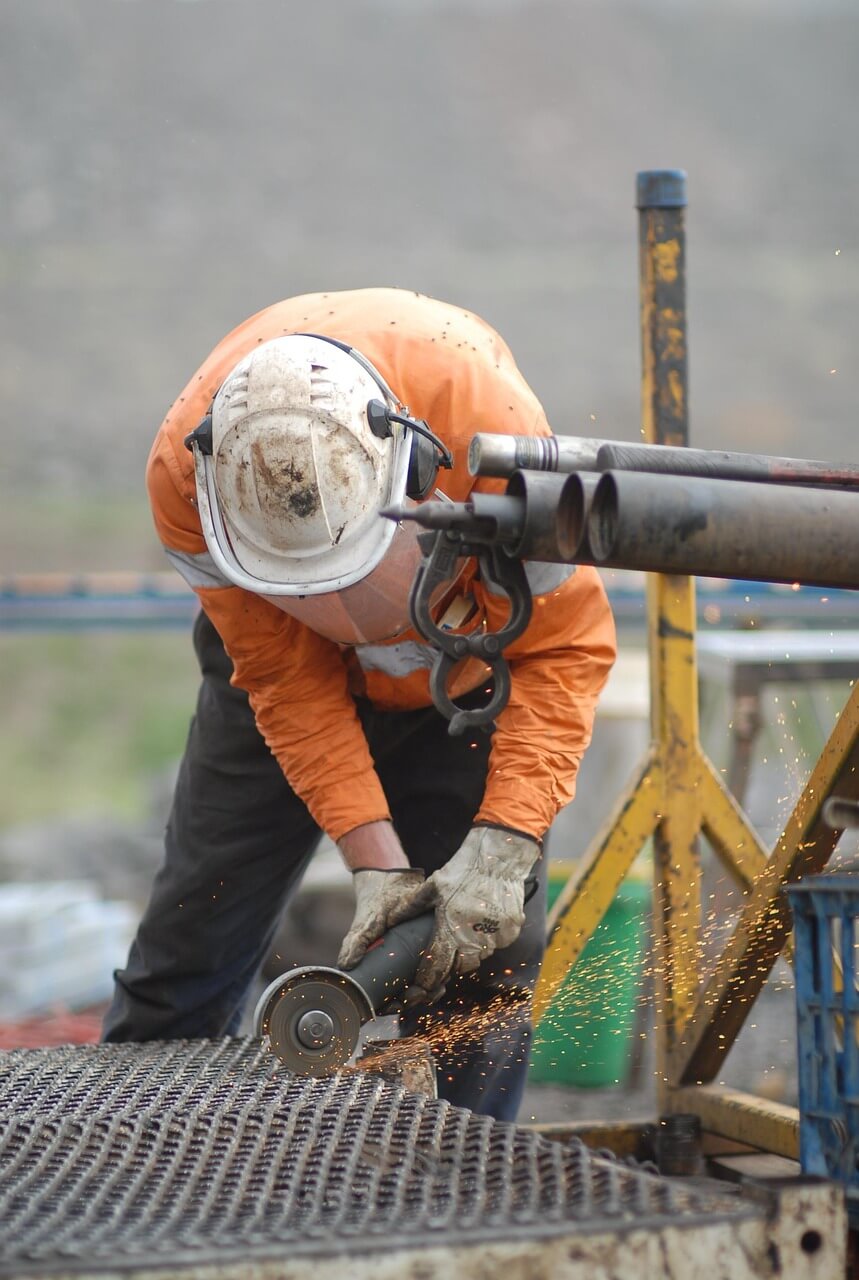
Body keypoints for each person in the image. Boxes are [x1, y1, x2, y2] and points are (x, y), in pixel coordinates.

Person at [102, 287, 616, 1121]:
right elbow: (284, 680)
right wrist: (375, 865)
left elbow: (560, 649)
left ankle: (462, 1172)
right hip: (281, 674)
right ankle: (135, 1152)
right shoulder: (185, 479)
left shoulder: (495, 442)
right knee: (189, 948)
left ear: (415, 479)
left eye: (346, 577)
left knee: (480, 962)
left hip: (464, 669)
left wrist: (503, 843)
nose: (338, 613)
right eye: (307, 588)